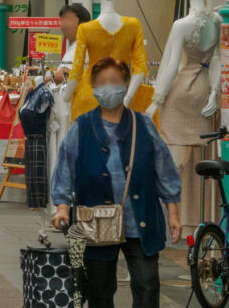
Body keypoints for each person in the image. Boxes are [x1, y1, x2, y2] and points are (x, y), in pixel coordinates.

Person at [51, 56, 181, 308]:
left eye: (113, 81)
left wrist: (173, 212)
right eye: (101, 82)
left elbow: (164, 168)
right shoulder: (83, 126)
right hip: (96, 223)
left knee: (147, 284)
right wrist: (62, 208)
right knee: (99, 290)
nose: (107, 87)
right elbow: (65, 168)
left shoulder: (143, 124)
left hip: (140, 220)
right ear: (93, 87)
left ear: (125, 85)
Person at [54, 3, 93, 84]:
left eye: (69, 19)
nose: (63, 24)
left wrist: (44, 79)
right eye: (62, 20)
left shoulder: (82, 47)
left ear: (83, 25)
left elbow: (66, 74)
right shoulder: (74, 46)